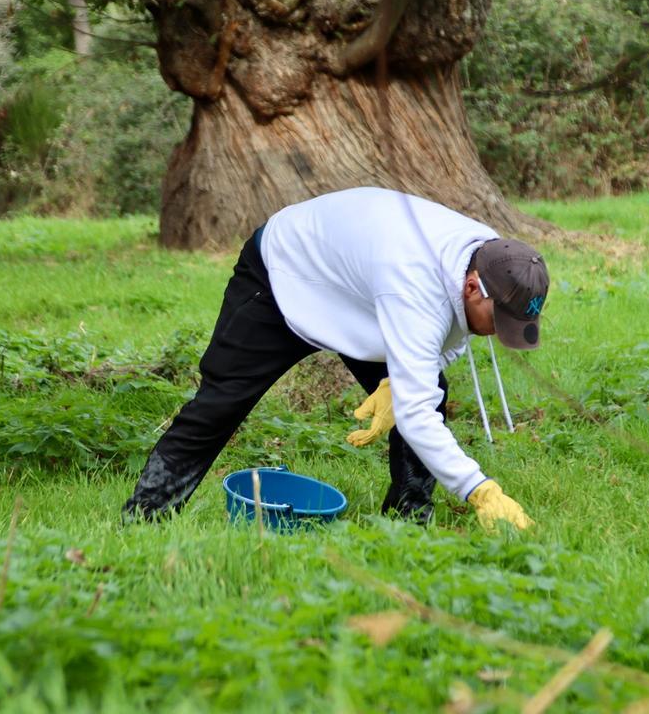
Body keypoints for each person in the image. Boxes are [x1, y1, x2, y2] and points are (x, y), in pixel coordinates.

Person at [122, 187, 548, 531]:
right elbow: (420, 399)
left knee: (424, 392)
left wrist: (400, 384)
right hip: (285, 273)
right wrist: (480, 490)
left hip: (360, 293)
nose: (497, 332)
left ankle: (407, 527)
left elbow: (453, 330)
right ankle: (146, 516)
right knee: (222, 401)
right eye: (499, 321)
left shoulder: (490, 259)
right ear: (473, 287)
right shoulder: (414, 286)